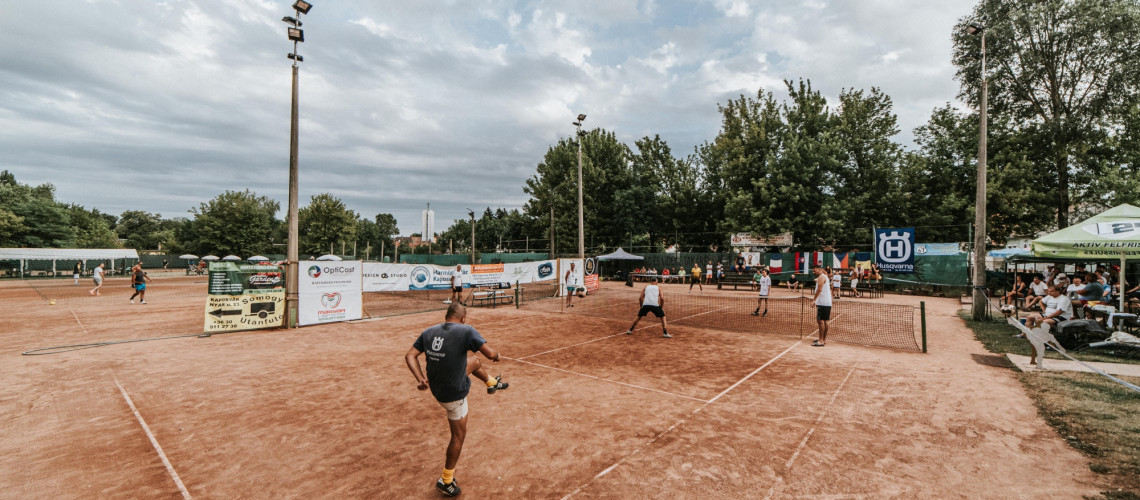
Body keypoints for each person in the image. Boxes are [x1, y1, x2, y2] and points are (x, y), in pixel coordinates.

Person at [404, 303, 509, 498]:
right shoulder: (466, 330)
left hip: (437, 386)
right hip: (452, 393)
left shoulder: (429, 331)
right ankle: (446, 480)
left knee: (474, 361)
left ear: (447, 316)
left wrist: (420, 379)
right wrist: (496, 356)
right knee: (458, 437)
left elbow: (410, 356)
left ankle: (491, 383)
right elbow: (489, 353)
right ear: (463, 318)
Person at [807, 266, 832, 346]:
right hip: (826, 302)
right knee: (825, 321)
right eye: (813, 271)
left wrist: (814, 300)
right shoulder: (824, 276)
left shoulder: (821, 277)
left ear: (820, 270)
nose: (814, 272)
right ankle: (823, 339)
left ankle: (821, 340)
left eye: (815, 271)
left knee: (820, 320)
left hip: (823, 302)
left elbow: (819, 289)